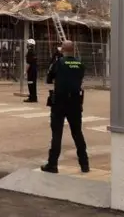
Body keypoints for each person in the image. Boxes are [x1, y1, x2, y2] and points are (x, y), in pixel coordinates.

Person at [41, 40, 89, 174]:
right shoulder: (80, 64)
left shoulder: (59, 63)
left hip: (60, 102)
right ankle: (84, 164)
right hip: (75, 102)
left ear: (62, 50)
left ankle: (52, 164)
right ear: (73, 50)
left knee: (57, 133)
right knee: (77, 133)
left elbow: (48, 79)